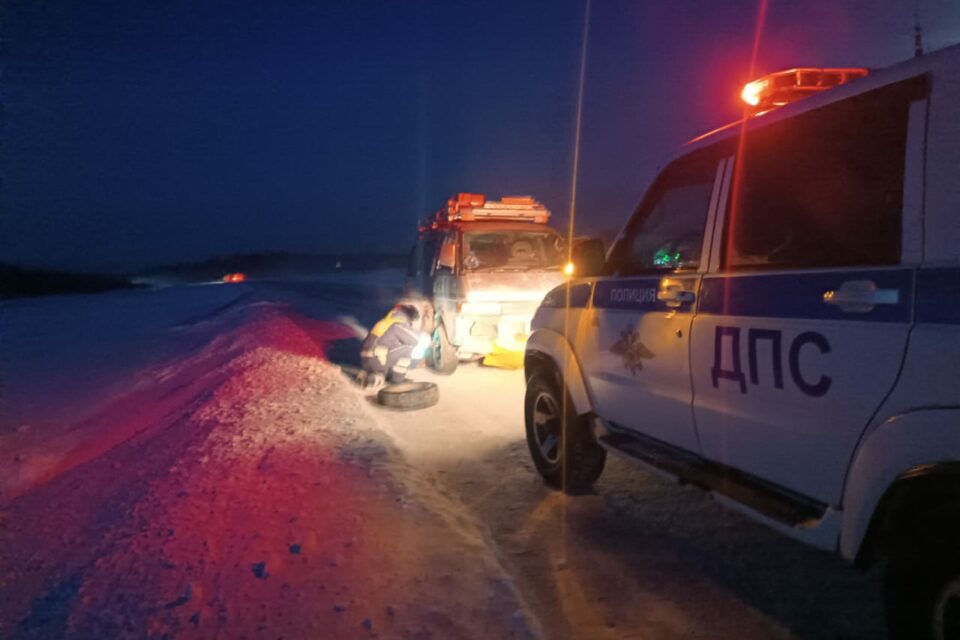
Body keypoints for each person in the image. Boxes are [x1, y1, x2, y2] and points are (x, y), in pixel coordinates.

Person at [358, 302, 431, 387]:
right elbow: (418, 339)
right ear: (409, 317)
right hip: (378, 360)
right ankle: (397, 381)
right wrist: (430, 341)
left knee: (395, 350)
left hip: (367, 360)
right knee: (409, 349)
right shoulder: (397, 325)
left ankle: (374, 377)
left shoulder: (385, 322)